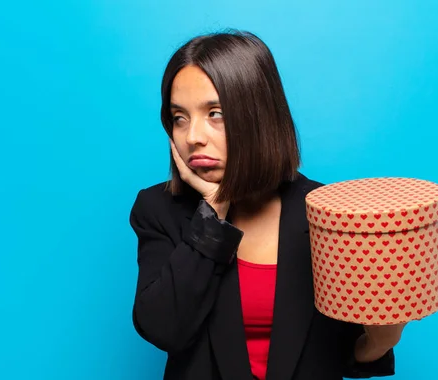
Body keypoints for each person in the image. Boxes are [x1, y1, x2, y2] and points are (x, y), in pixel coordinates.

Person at [129, 30, 406, 380]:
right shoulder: (158, 209)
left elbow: (338, 351)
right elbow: (164, 329)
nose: (193, 136)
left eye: (215, 113)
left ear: (258, 115)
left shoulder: (328, 214)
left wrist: (381, 341)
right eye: (179, 117)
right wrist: (212, 215)